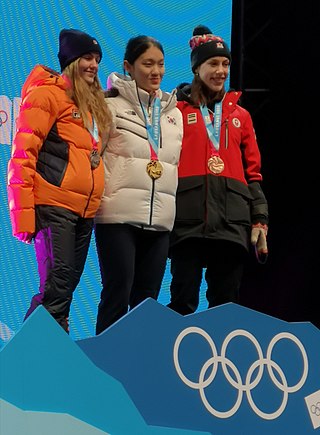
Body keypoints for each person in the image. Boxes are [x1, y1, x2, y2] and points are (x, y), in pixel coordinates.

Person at [7, 28, 112, 333]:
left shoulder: (91, 104)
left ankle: (43, 355)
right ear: (70, 61)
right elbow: (23, 155)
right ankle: (31, 362)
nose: (92, 65)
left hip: (83, 211)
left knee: (63, 291)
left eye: (96, 59)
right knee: (57, 287)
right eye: (85, 58)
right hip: (53, 204)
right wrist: (23, 217)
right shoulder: (47, 94)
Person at [167, 25, 269, 315]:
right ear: (197, 67)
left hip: (232, 221)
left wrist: (260, 218)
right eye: (213, 63)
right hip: (188, 219)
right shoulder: (176, 111)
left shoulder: (241, 115)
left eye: (225, 64)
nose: (221, 71)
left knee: (225, 308)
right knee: (182, 303)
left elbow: (254, 174)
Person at [94, 35, 183, 334]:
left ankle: (138, 373)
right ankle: (100, 368)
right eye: (147, 64)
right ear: (128, 67)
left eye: (160, 64)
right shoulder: (108, 105)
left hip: (159, 221)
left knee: (147, 303)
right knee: (117, 293)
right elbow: (94, 157)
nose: (156, 71)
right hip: (117, 215)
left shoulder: (174, 114)